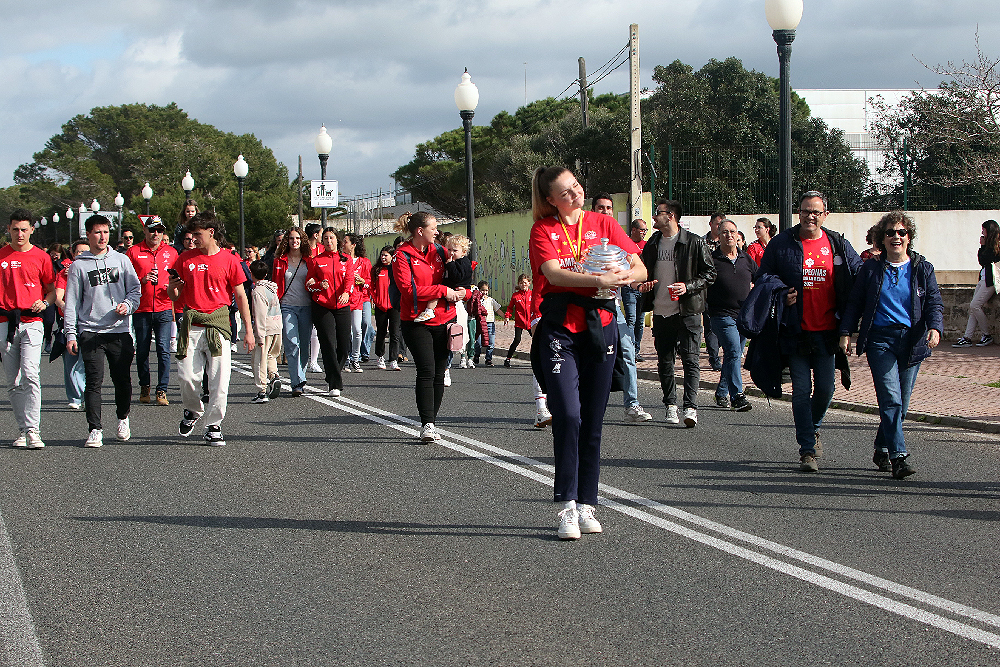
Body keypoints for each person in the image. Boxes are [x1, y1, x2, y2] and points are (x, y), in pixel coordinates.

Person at [528, 166, 645, 540]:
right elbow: (554, 273)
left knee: (593, 421)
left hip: (601, 327)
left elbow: (639, 266)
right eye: (566, 192)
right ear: (550, 200)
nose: (576, 194)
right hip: (560, 329)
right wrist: (597, 279)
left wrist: (621, 276)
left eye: (576, 186)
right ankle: (565, 507)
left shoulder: (603, 223)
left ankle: (587, 504)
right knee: (568, 415)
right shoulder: (543, 230)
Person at [757, 190, 862, 472]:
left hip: (828, 331)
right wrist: (781, 293)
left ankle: (812, 428)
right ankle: (807, 449)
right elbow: (764, 276)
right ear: (798, 213)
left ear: (825, 215)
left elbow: (859, 274)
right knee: (802, 389)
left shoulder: (837, 244)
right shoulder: (782, 243)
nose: (810, 216)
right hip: (795, 331)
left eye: (816, 211)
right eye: (805, 211)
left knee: (826, 389)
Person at [840, 211, 943, 479]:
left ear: (909, 237)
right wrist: (846, 332)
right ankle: (899, 457)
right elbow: (855, 303)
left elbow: (933, 302)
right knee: (891, 399)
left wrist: (934, 327)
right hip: (880, 340)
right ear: (881, 239)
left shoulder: (922, 268)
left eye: (901, 233)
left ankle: (881, 447)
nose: (896, 237)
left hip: (912, 341)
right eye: (890, 233)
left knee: (901, 403)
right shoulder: (871, 269)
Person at [167, 211, 255, 446]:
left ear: (211, 233)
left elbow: (240, 295)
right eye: (191, 234)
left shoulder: (229, 259)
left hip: (218, 325)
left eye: (198, 234)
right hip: (191, 324)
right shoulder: (185, 259)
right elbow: (173, 295)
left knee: (219, 379)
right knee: (187, 377)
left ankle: (213, 424)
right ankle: (193, 410)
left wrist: (248, 329)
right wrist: (172, 288)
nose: (194, 239)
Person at [64, 215, 141, 447]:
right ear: (88, 235)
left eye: (106, 232)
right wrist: (70, 333)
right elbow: (72, 303)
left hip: (119, 330)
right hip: (91, 331)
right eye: (97, 232)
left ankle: (123, 417)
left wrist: (127, 306)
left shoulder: (121, 260)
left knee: (122, 379)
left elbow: (135, 291)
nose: (102, 237)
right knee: (94, 382)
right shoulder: (79, 265)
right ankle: (95, 428)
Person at [637, 199, 716, 427]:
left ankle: (690, 408)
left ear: (670, 216)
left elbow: (710, 274)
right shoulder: (653, 243)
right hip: (661, 311)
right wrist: (644, 283)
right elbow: (642, 269)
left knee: (691, 360)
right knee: (665, 361)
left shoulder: (693, 242)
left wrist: (687, 286)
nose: (654, 217)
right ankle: (670, 405)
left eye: (658, 213)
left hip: (688, 311)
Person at [394, 212, 464, 442]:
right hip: (417, 320)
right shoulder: (402, 256)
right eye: (433, 228)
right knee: (426, 370)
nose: (437, 232)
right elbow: (408, 291)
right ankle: (427, 424)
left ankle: (432, 420)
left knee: (439, 372)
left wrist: (466, 290)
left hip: (446, 319)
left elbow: (457, 276)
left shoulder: (440, 251)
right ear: (420, 231)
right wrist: (443, 291)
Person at [589, 196, 651, 423]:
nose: (605, 211)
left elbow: (637, 270)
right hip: (587, 308)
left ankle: (632, 404)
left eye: (608, 208)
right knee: (590, 357)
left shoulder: (619, 238)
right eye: (600, 208)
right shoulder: (584, 237)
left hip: (614, 307)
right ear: (593, 210)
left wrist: (637, 284)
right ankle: (583, 403)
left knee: (628, 351)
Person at [0, 210, 56, 449]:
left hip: (32, 322)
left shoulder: (41, 257)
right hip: (6, 323)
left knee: (31, 374)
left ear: (32, 229)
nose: (19, 234)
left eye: (24, 229)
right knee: (13, 381)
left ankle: (34, 430)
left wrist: (44, 302)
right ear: (9, 230)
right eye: (15, 229)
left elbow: (52, 290)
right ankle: (22, 429)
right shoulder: (1, 255)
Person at [126, 215, 178, 406]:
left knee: (164, 350)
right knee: (142, 350)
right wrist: (143, 279)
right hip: (142, 309)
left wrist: (171, 286)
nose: (155, 234)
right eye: (151, 230)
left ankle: (162, 389)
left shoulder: (172, 253)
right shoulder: (133, 252)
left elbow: (178, 278)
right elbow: (126, 281)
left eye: (159, 230)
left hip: (164, 307)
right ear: (145, 231)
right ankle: (144, 385)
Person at [707, 219, 756, 412]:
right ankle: (737, 395)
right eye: (725, 232)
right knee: (734, 351)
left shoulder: (746, 259)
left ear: (738, 235)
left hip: (743, 316)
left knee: (732, 355)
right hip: (721, 315)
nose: (729, 235)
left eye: (733, 232)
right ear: (718, 236)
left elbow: (760, 278)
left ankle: (721, 392)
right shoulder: (712, 259)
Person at [305, 228, 354, 396]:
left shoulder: (346, 259)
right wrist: (319, 285)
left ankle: (334, 372)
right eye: (325, 238)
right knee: (328, 343)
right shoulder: (316, 260)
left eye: (331, 238)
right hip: (322, 305)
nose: (328, 241)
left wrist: (347, 292)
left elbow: (350, 279)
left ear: (337, 240)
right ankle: (334, 382)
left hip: (342, 305)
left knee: (344, 345)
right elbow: (309, 283)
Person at [272, 228, 312, 396]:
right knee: (292, 343)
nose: (294, 241)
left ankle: (300, 375)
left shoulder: (309, 260)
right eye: (291, 238)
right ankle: (297, 381)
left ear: (302, 240)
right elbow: (275, 285)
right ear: (286, 241)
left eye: (297, 238)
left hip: (307, 306)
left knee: (304, 345)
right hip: (287, 305)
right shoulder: (279, 261)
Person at [953, 219, 1000, 348]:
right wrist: (983, 246)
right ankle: (967, 337)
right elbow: (982, 261)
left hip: (990, 279)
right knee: (973, 309)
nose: (982, 232)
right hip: (983, 278)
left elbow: (989, 259)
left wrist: (984, 246)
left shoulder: (996, 245)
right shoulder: (987, 245)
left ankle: (986, 335)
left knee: (975, 305)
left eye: (984, 229)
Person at [54, 239, 89, 410]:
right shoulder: (64, 274)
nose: (82, 255)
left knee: (87, 361)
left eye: (86, 251)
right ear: (73, 254)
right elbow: (58, 298)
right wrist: (68, 310)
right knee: (71, 361)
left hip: (90, 322)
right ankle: (75, 397)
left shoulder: (94, 271)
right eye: (79, 252)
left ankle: (86, 393)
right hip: (69, 322)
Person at [249, 259, 283, 404]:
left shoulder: (258, 291)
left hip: (266, 328)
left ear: (252, 274)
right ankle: (274, 376)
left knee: (259, 360)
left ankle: (262, 390)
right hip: (277, 326)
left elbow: (260, 315)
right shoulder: (272, 288)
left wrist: (259, 336)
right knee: (272, 356)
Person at [342, 233, 372, 373]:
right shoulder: (341, 260)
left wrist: (363, 281)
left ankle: (355, 358)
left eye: (346, 242)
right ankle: (346, 359)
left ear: (353, 245)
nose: (343, 244)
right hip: (344, 299)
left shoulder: (364, 262)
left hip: (358, 299)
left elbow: (371, 282)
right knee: (346, 331)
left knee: (357, 330)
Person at [622, 218, 650, 360]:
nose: (644, 233)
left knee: (640, 321)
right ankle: (630, 350)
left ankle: (636, 350)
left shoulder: (647, 245)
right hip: (629, 288)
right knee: (631, 319)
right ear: (633, 230)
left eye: (646, 230)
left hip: (643, 288)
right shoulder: (626, 244)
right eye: (642, 230)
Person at [701, 211, 726, 371]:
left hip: (725, 290)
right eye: (718, 224)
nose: (720, 227)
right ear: (711, 224)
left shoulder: (728, 242)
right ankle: (714, 357)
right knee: (710, 325)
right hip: (708, 290)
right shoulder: (702, 243)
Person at [371, 246, 402, 371]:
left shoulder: (397, 270)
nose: (383, 257)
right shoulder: (376, 270)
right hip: (380, 306)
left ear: (392, 256)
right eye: (382, 255)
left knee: (395, 333)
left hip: (394, 305)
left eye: (386, 255)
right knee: (381, 332)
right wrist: (375, 299)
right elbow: (371, 287)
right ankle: (380, 356)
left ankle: (394, 359)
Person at [503, 274, 533, 367]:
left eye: (524, 282)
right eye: (521, 283)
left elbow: (538, 306)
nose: (523, 284)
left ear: (529, 283)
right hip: (520, 322)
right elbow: (510, 307)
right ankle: (508, 359)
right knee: (517, 340)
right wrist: (507, 316)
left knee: (537, 341)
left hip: (531, 322)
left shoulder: (532, 294)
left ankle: (537, 359)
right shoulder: (516, 296)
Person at [473, 281, 502, 366]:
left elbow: (498, 310)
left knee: (491, 342)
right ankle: (476, 355)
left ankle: (488, 359)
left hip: (490, 323)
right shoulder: (477, 301)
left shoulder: (491, 300)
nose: (484, 292)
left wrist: (506, 317)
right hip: (480, 323)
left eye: (486, 290)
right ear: (479, 290)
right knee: (478, 342)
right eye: (482, 290)